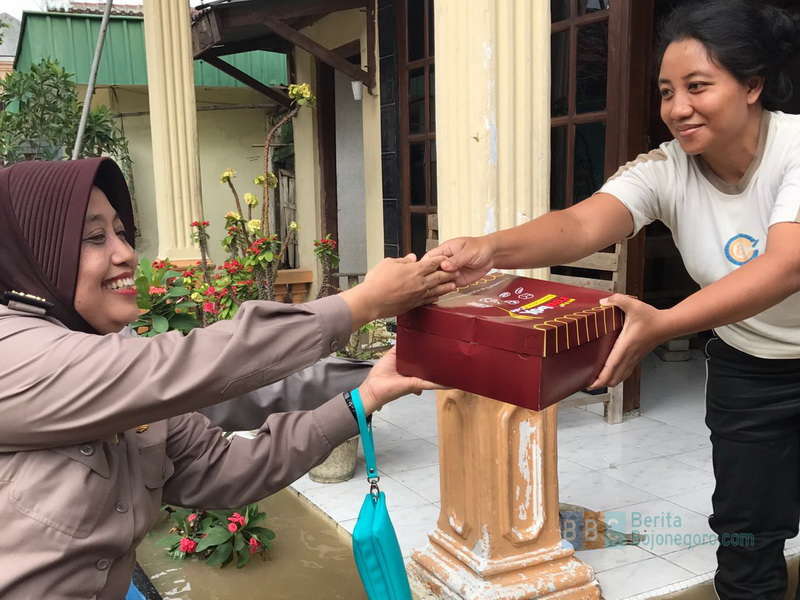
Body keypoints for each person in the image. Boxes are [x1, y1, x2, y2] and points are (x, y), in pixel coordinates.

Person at [428, 1, 800, 597]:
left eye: (698, 86)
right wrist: (488, 248)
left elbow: (785, 267)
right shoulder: (666, 169)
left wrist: (663, 322)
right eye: (666, 91)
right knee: (747, 533)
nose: (678, 108)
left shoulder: (796, 149)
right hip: (748, 369)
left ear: (752, 85)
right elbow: (578, 225)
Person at [0, 157, 456, 599]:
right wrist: (361, 304)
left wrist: (366, 395)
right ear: (38, 255)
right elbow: (185, 364)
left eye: (121, 232)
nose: (125, 253)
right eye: (94, 237)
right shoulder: (13, 353)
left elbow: (221, 467)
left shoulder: (120, 377)